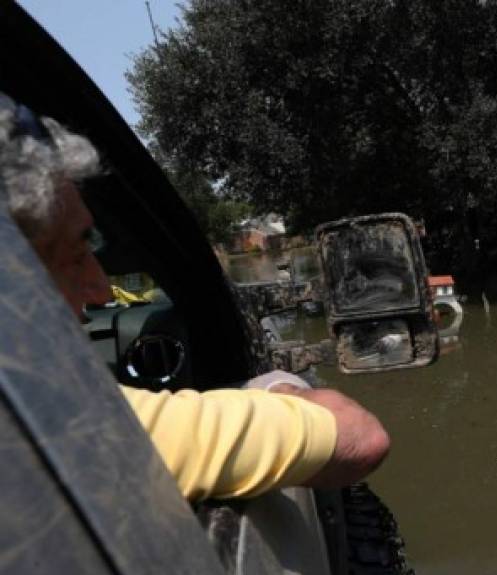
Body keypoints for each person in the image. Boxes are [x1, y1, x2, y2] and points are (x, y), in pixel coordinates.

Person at [0, 94, 389, 501]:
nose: (99, 289)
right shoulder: (66, 425)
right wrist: (277, 387)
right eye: (77, 254)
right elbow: (359, 437)